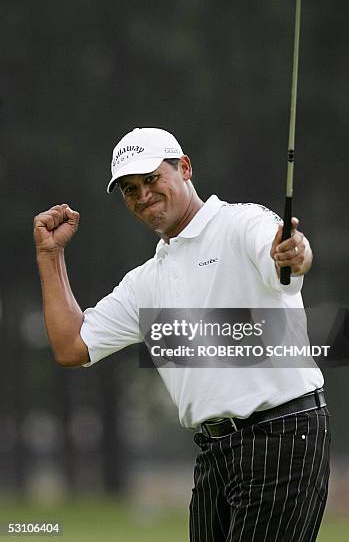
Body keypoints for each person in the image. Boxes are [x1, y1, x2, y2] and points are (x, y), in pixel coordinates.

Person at [33, 127, 330, 541]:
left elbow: (285, 250)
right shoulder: (147, 280)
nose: (142, 195)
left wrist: (295, 251)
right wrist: (50, 255)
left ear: (184, 167)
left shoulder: (242, 222)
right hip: (215, 451)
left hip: (283, 436)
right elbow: (71, 345)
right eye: (129, 189)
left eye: (152, 179)